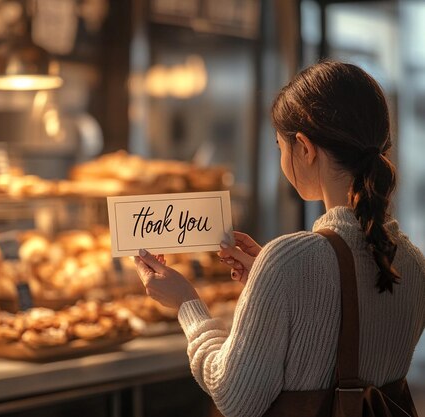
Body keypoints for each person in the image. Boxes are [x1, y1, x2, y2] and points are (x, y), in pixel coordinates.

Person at [134, 61, 425, 417]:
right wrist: (267, 280)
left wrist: (186, 304)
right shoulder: (413, 262)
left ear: (304, 147)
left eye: (279, 146)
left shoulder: (288, 259)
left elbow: (234, 397)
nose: (282, 159)